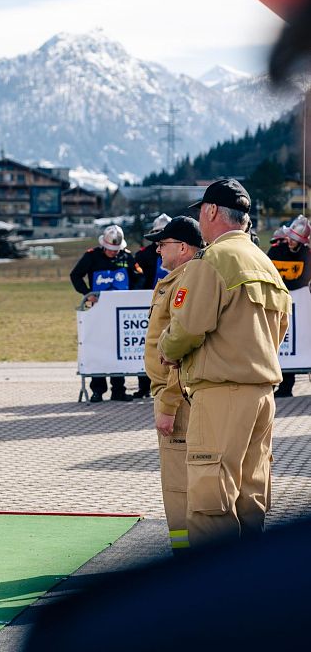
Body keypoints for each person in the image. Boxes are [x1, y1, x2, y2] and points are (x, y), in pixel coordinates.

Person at [158, 179, 291, 547]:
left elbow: (188, 325)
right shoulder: (264, 261)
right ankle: (250, 588)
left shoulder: (214, 258)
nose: (200, 219)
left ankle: (211, 595)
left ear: (212, 211)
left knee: (210, 500)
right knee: (252, 497)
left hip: (221, 394)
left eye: (201, 211)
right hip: (262, 393)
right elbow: (280, 327)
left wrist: (168, 349)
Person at [143, 216, 203, 555]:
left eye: (162, 243)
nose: (157, 248)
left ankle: (186, 553)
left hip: (177, 396)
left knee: (179, 482)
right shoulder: (175, 278)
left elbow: (181, 349)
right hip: (170, 391)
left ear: (183, 247)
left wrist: (167, 403)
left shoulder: (189, 281)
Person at [70, 224, 144, 402]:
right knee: (98, 347)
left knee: (117, 349)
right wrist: (87, 294)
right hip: (98, 312)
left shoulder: (127, 257)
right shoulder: (91, 256)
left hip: (120, 314)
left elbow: (140, 276)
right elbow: (75, 275)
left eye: (115, 249)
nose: (113, 252)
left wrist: (131, 295)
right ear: (103, 244)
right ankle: (97, 390)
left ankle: (118, 390)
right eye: (110, 249)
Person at [267, 214, 311, 397]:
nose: (291, 242)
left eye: (295, 240)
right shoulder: (276, 251)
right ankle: (277, 384)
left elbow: (305, 277)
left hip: (300, 307)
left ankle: (288, 387)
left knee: (296, 347)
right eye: (290, 238)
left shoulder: (307, 254)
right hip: (279, 304)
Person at [132, 213, 172, 399]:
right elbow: (138, 279)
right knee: (150, 345)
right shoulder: (143, 255)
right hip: (151, 306)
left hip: (174, 304)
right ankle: (144, 385)